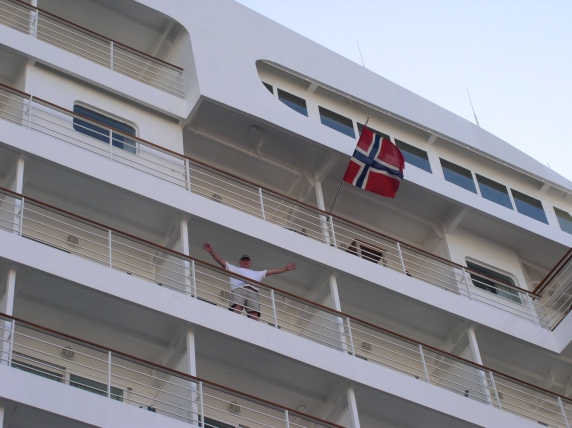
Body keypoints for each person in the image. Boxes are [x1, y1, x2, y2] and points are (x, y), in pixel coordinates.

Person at [203, 243, 296, 321]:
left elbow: (271, 271)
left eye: (247, 261)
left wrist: (285, 269)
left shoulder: (257, 273)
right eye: (243, 260)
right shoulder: (234, 269)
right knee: (237, 306)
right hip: (239, 289)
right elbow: (222, 262)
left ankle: (253, 328)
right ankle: (234, 322)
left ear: (250, 263)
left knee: (254, 312)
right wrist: (211, 251)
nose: (245, 262)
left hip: (253, 292)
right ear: (240, 262)